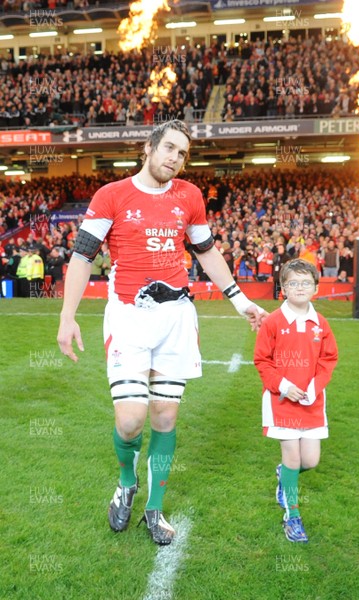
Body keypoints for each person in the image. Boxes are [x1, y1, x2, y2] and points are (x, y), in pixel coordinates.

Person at [57, 119, 267, 546]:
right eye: (169, 148)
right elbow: (82, 257)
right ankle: (126, 482)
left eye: (182, 153)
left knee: (165, 416)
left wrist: (240, 300)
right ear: (148, 148)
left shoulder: (189, 196)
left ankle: (154, 509)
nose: (175, 158)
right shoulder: (111, 196)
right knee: (131, 422)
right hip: (129, 316)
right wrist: (67, 316)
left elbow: (207, 253)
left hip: (176, 318)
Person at [254, 259, 338, 543]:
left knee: (310, 461)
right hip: (282, 403)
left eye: (305, 283)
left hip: (312, 402)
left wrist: (314, 388)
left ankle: (284, 475)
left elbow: (329, 359)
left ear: (315, 288)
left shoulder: (321, 324)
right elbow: (262, 360)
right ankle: (293, 517)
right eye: (293, 283)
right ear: (283, 288)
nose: (299, 288)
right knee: (292, 457)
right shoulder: (273, 322)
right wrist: (284, 386)